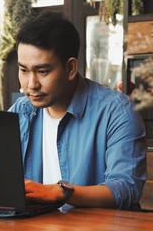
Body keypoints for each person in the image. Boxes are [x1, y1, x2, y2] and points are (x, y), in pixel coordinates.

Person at [8, 11, 147, 211]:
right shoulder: (20, 111)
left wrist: (62, 192)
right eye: (24, 70)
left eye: (42, 71)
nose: (31, 84)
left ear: (70, 68)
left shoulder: (117, 111)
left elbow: (125, 188)